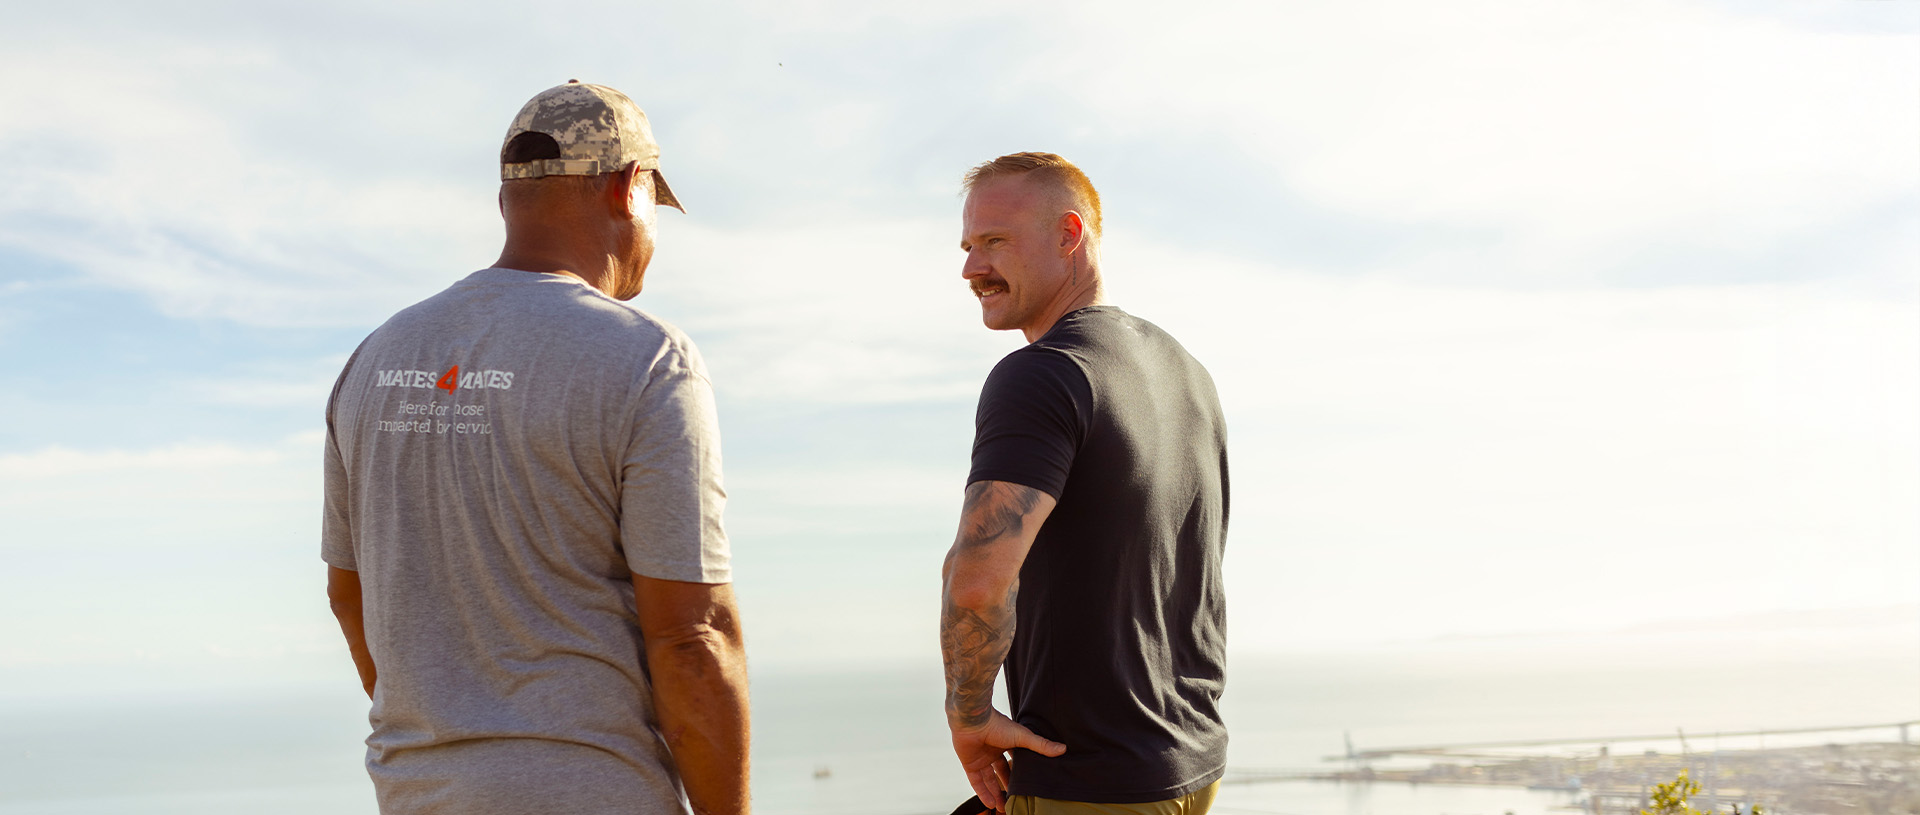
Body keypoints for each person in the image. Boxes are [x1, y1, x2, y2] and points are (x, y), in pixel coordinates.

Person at [322, 81, 749, 815]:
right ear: (629, 186)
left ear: (507, 198)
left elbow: (347, 592)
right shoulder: (647, 358)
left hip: (416, 795)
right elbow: (692, 638)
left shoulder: (375, 356)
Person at [940, 153, 1230, 814]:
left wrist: (969, 714)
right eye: (967, 246)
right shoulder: (1188, 375)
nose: (971, 268)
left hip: (1092, 781)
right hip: (1190, 766)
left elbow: (979, 575)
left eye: (994, 242)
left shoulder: (1041, 373)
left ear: (1069, 235)